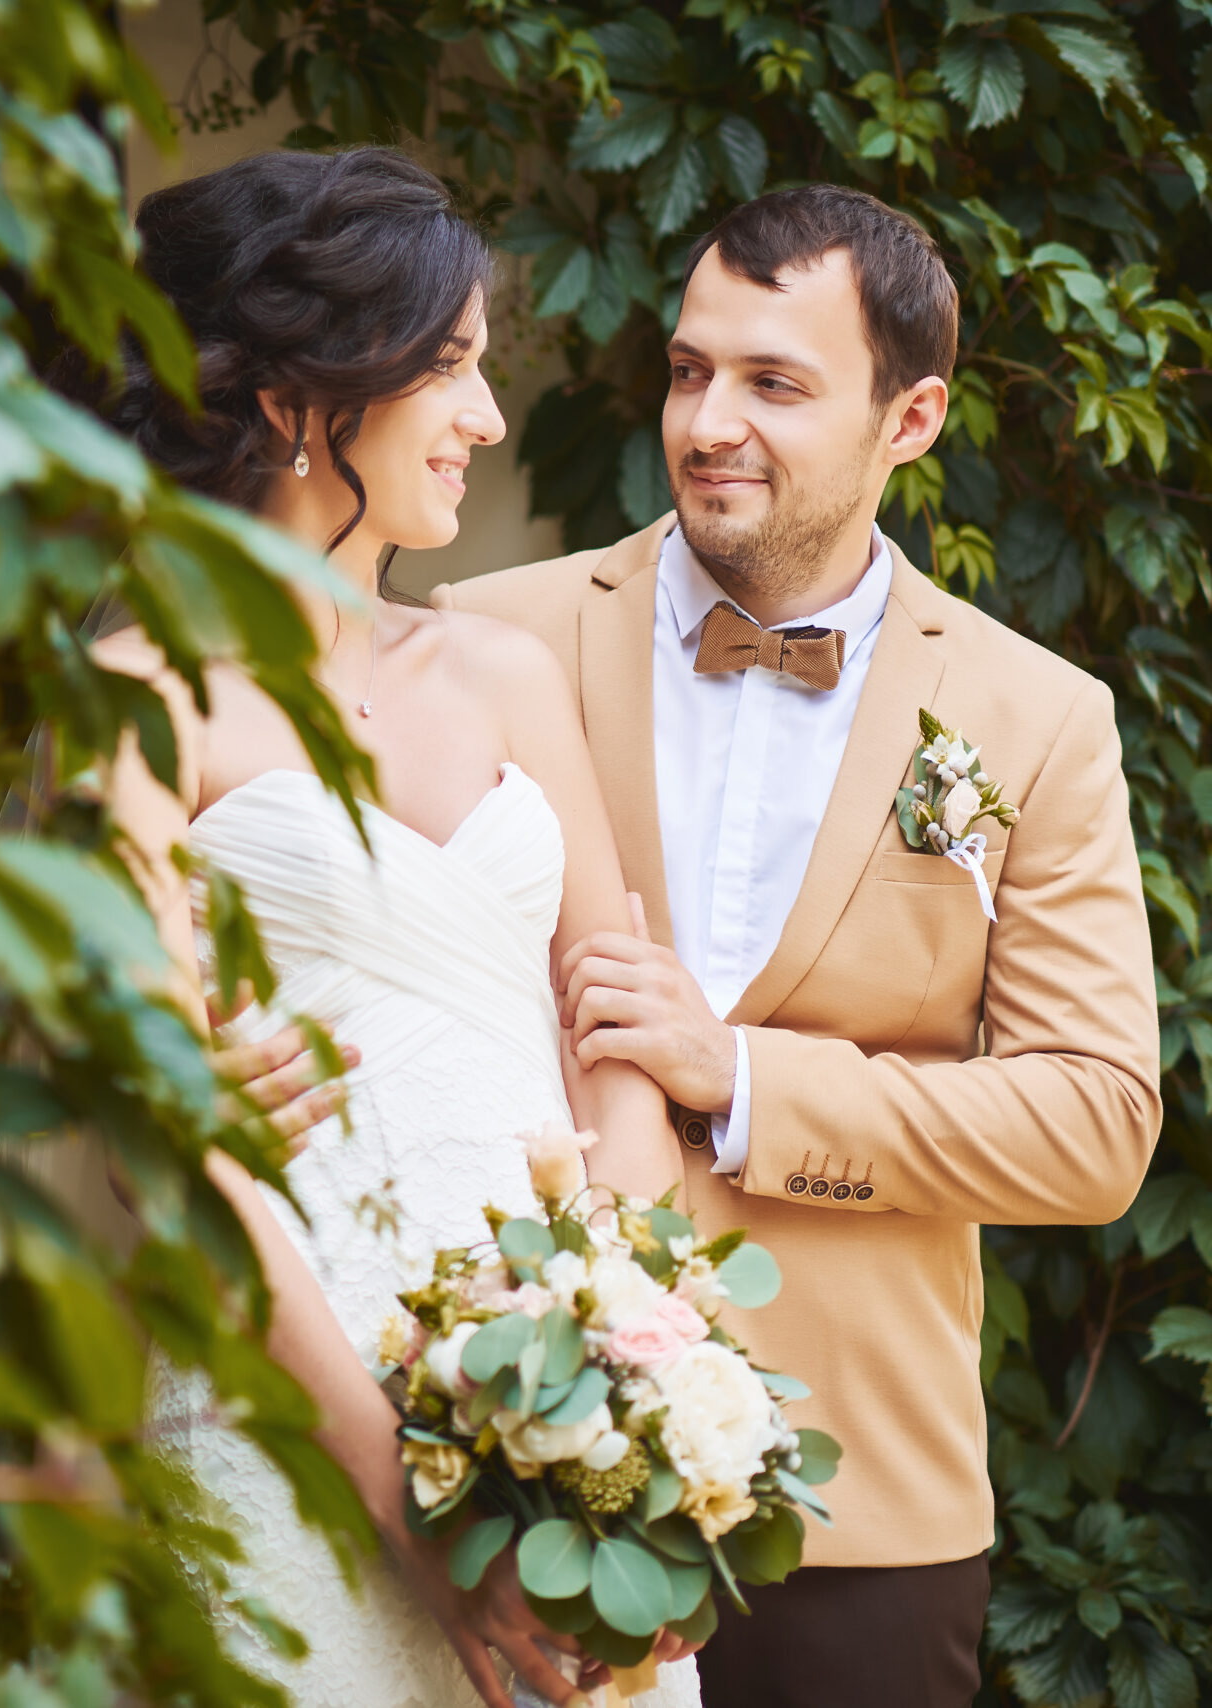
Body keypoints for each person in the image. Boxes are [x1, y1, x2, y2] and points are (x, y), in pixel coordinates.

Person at [435, 184, 1161, 1708]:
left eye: (776, 384)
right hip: (507, 1472)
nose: (710, 423)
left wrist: (744, 1076)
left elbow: (1096, 1121)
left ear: (912, 419)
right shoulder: (478, 637)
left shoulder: (1037, 722)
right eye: (694, 370)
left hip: (860, 1515)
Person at [83, 147, 696, 1708]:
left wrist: (610, 1358)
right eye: (453, 366)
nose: (489, 418)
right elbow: (167, 1136)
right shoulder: (142, 700)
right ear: (300, 400)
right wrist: (406, 1497)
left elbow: (611, 1034)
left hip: (552, 1410)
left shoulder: (505, 676)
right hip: (283, 1410)